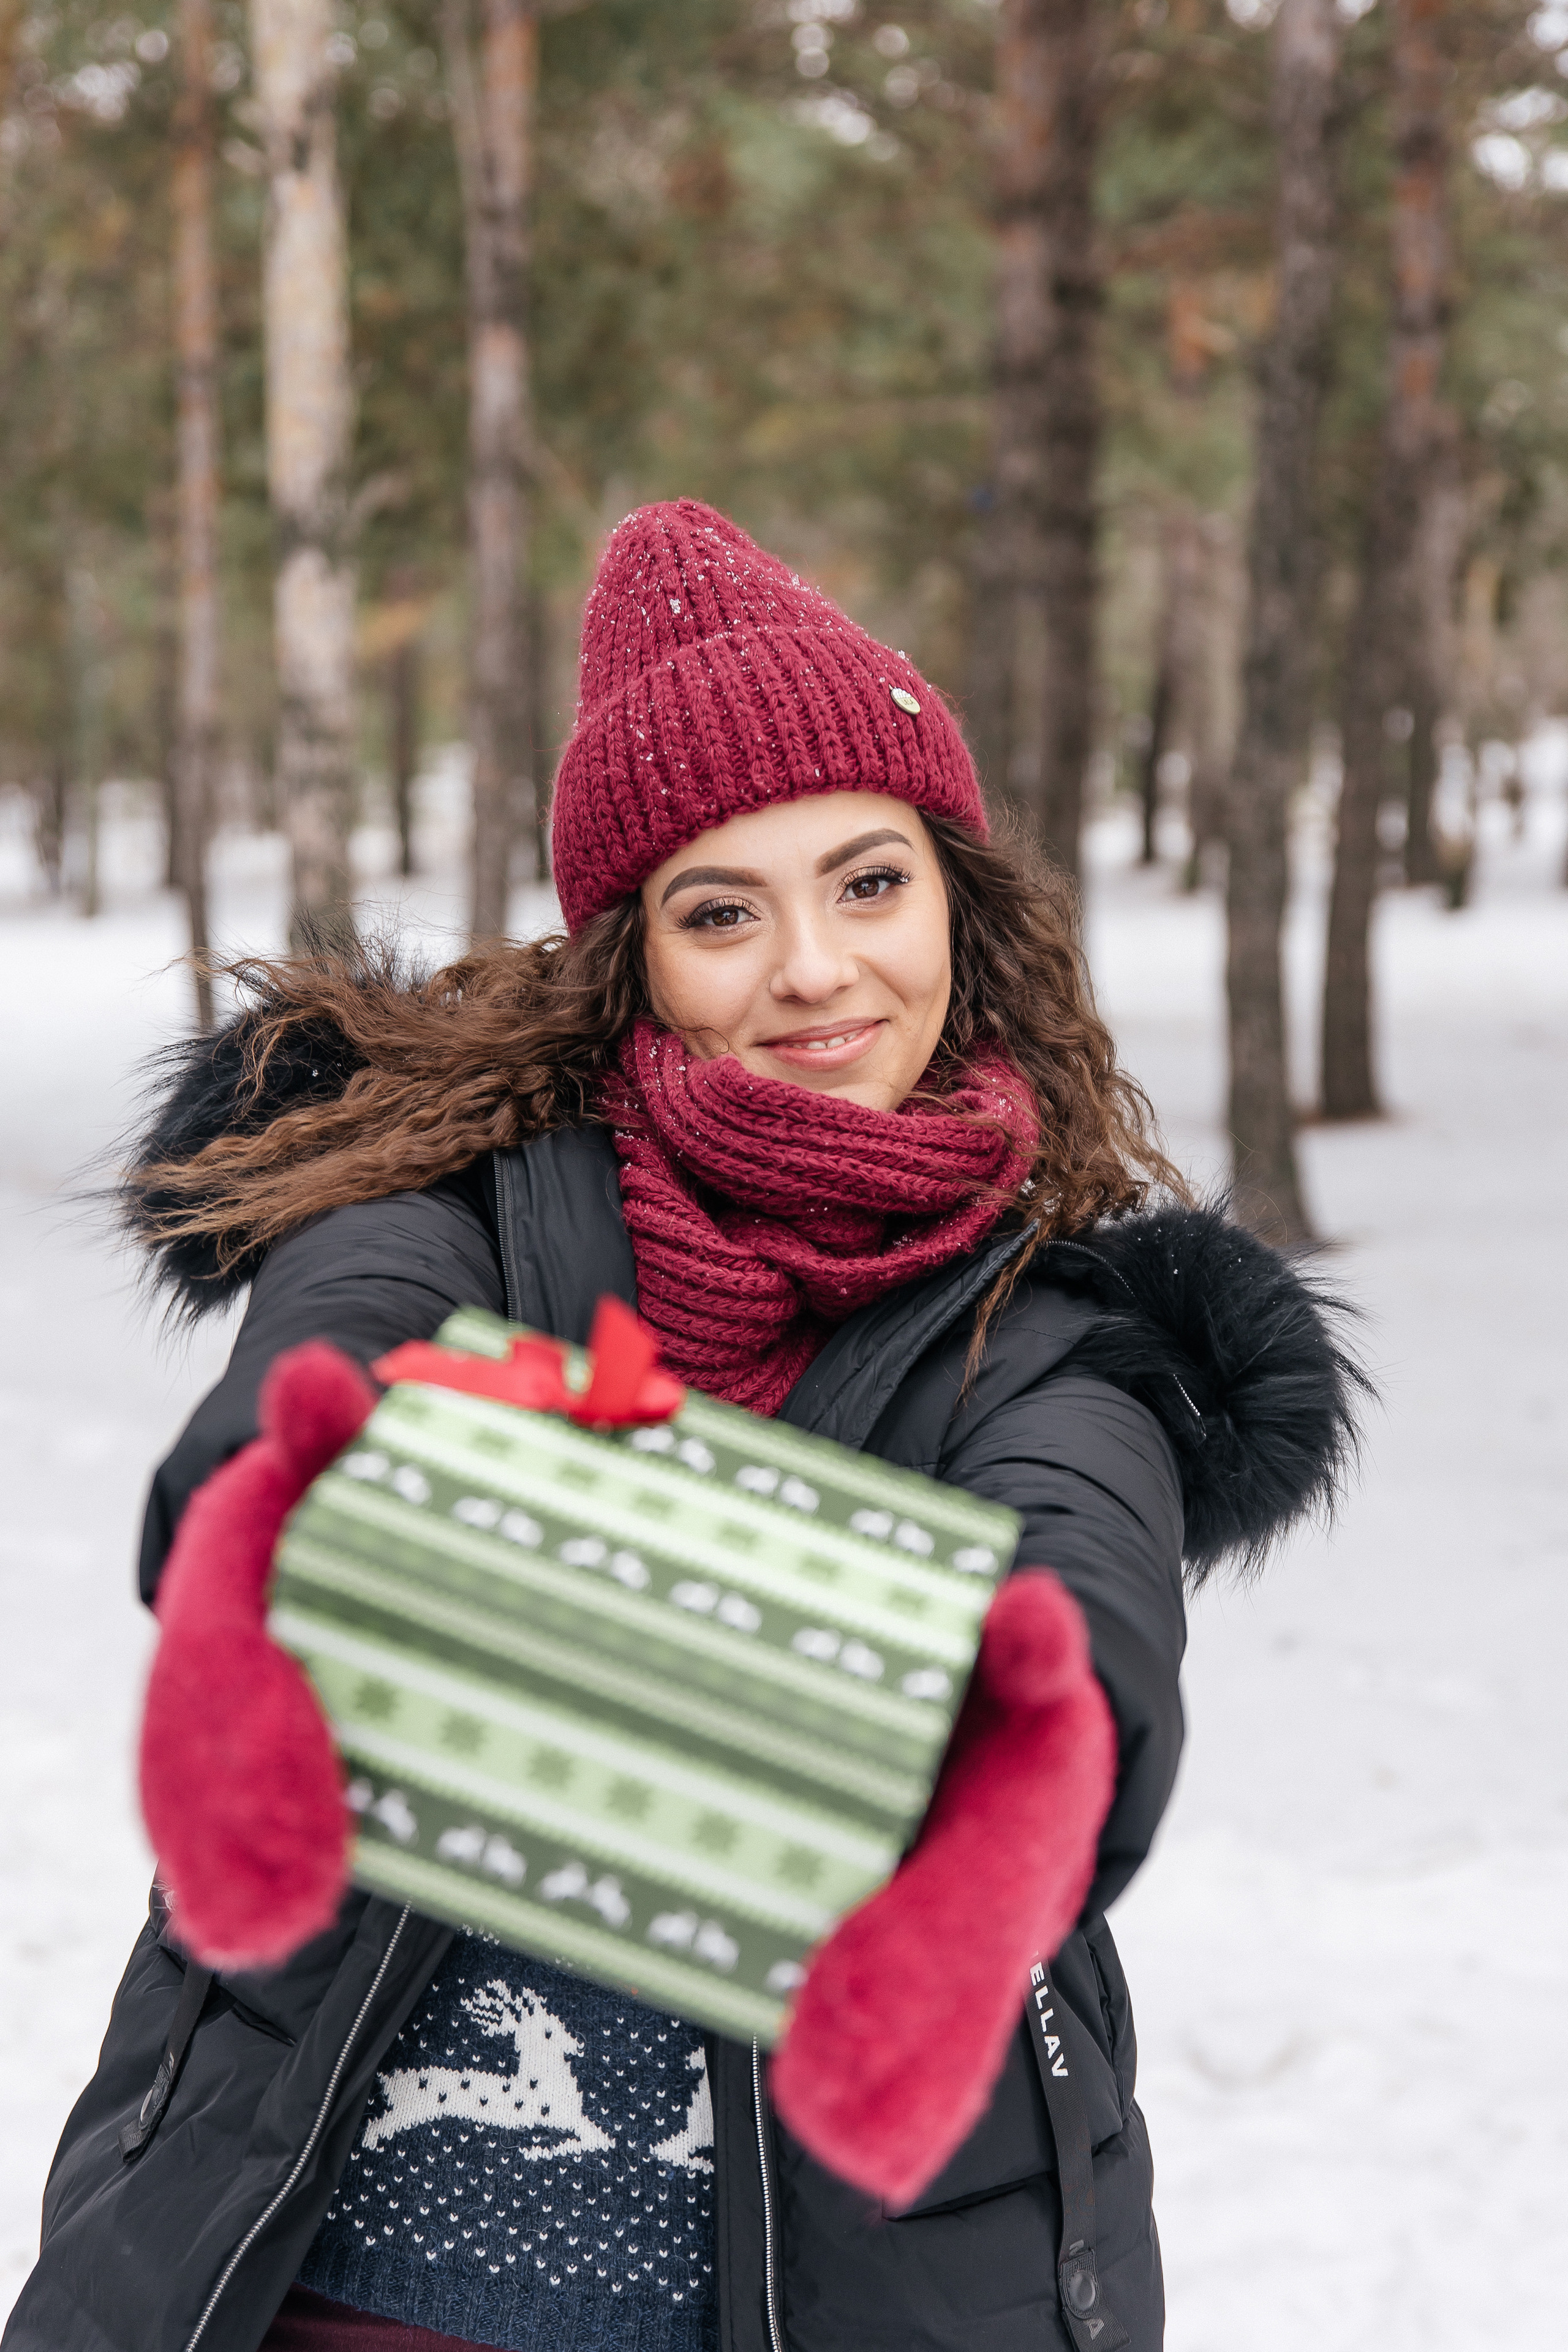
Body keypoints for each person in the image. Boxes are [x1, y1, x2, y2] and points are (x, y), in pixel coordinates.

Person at [4, 500, 1362, 2352]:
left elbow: (1080, 1573)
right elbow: (341, 1334)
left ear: (960, 904)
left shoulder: (1059, 1335)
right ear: (635, 951)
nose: (812, 970)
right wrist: (289, 1495)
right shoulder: (470, 1206)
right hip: (321, 2286)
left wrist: (1021, 1760)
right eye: (725, 911)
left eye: (867, 882)